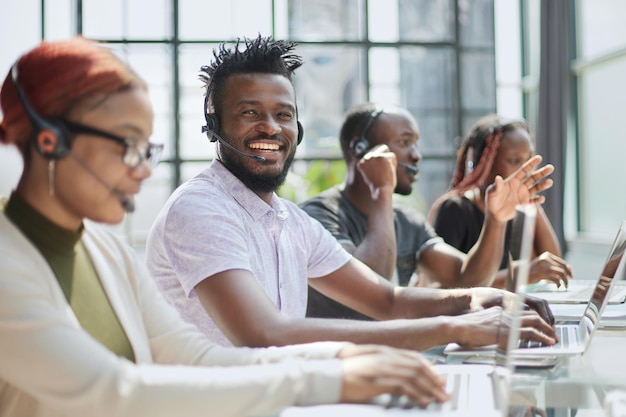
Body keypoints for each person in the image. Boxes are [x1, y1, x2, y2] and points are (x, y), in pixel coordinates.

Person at [0, 37, 455, 417]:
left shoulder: (104, 249)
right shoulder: (8, 263)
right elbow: (117, 390)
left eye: (147, 147)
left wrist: (342, 357)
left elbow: (195, 358)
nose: (143, 170)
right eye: (127, 145)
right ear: (49, 141)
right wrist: (331, 377)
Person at [145, 35, 558, 354]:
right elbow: (264, 333)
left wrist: (480, 299)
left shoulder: (289, 221)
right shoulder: (200, 209)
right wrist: (455, 328)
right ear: (213, 126)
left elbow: (387, 298)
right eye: (250, 112)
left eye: (284, 114)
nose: (271, 128)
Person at [428, 114, 572, 289]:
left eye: (528, 161)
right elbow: (444, 286)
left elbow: (553, 267)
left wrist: (532, 205)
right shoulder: (455, 209)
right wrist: (522, 274)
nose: (524, 170)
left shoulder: (522, 212)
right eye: (513, 161)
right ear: (484, 163)